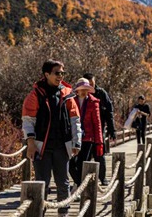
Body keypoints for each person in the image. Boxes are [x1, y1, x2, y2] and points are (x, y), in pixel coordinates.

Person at [22, 59, 82, 217]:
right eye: (57, 73)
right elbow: (28, 121)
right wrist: (30, 143)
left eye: (62, 73)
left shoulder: (68, 94)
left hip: (62, 146)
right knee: (42, 183)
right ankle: (39, 213)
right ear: (46, 74)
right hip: (42, 146)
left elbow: (75, 120)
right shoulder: (35, 95)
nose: (60, 76)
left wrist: (77, 142)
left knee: (63, 183)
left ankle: (64, 213)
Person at [69, 77, 104, 191]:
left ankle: (79, 188)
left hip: (88, 138)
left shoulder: (94, 102)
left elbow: (97, 123)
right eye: (81, 89)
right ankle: (79, 184)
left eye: (86, 89)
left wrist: (99, 143)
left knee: (82, 164)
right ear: (77, 90)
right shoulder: (71, 101)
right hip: (74, 136)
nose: (84, 91)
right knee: (70, 164)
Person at [82, 73, 116, 186]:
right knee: (84, 155)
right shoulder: (81, 92)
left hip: (98, 127)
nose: (91, 85)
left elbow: (109, 112)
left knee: (99, 153)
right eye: (88, 83)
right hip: (84, 130)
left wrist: (112, 129)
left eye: (92, 83)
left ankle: (102, 177)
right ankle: (81, 179)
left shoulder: (101, 93)